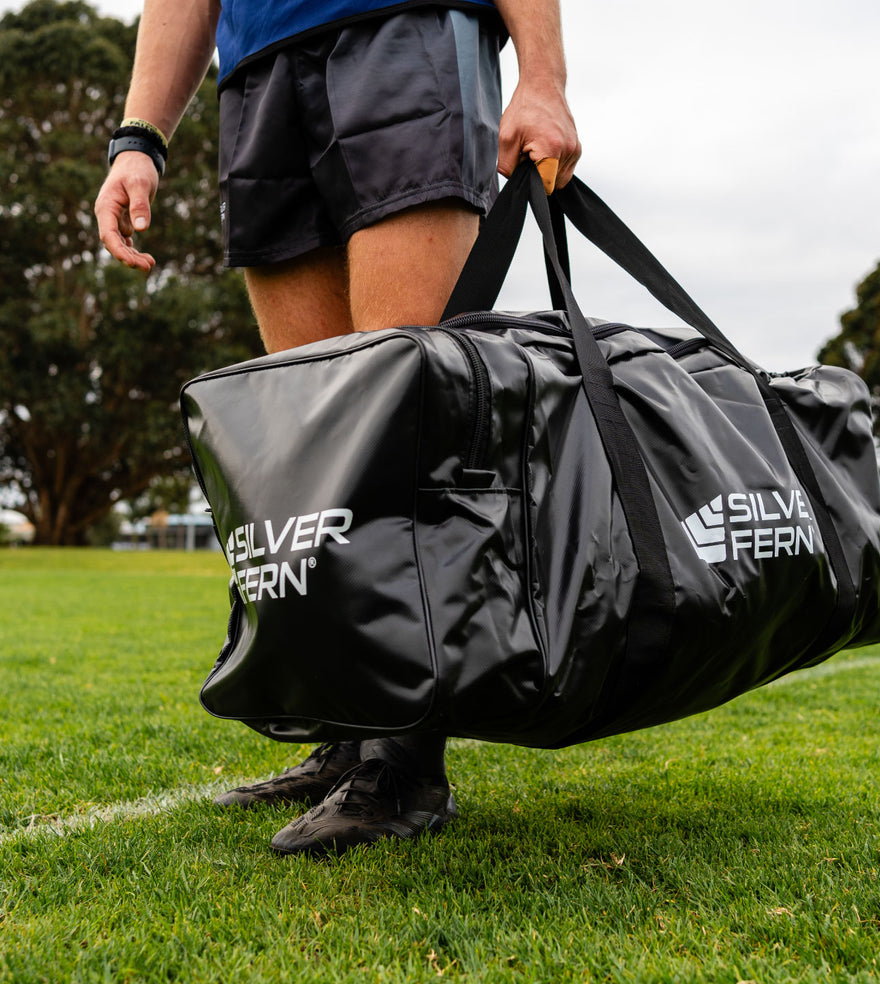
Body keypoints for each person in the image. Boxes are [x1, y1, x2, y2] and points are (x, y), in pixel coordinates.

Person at [95, 0, 581, 857]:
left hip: (406, 31)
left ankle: (406, 766)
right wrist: (138, 137)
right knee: (316, 443)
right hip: (257, 74)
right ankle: (349, 738)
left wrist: (542, 78)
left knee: (405, 410)